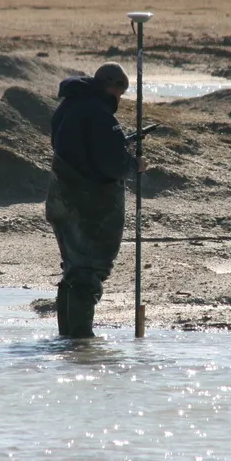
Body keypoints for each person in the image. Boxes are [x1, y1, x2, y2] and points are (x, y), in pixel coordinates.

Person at [46, 62, 145, 338]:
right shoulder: (99, 114)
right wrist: (133, 164)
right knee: (87, 273)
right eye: (120, 93)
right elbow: (111, 164)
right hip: (88, 208)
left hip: (60, 200)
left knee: (73, 271)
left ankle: (66, 339)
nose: (119, 99)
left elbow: (75, 148)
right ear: (111, 87)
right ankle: (80, 342)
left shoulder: (68, 106)